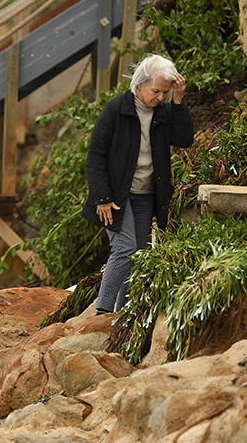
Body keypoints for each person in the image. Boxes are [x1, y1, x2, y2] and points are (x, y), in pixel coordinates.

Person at [82, 54, 194, 313]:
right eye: (156, 91)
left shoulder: (165, 111)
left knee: (141, 253)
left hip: (146, 194)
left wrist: (178, 101)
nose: (160, 97)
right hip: (115, 196)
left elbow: (185, 138)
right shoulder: (116, 109)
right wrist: (102, 198)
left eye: (165, 92)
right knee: (125, 247)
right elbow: (95, 156)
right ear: (140, 85)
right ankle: (104, 309)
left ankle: (124, 310)